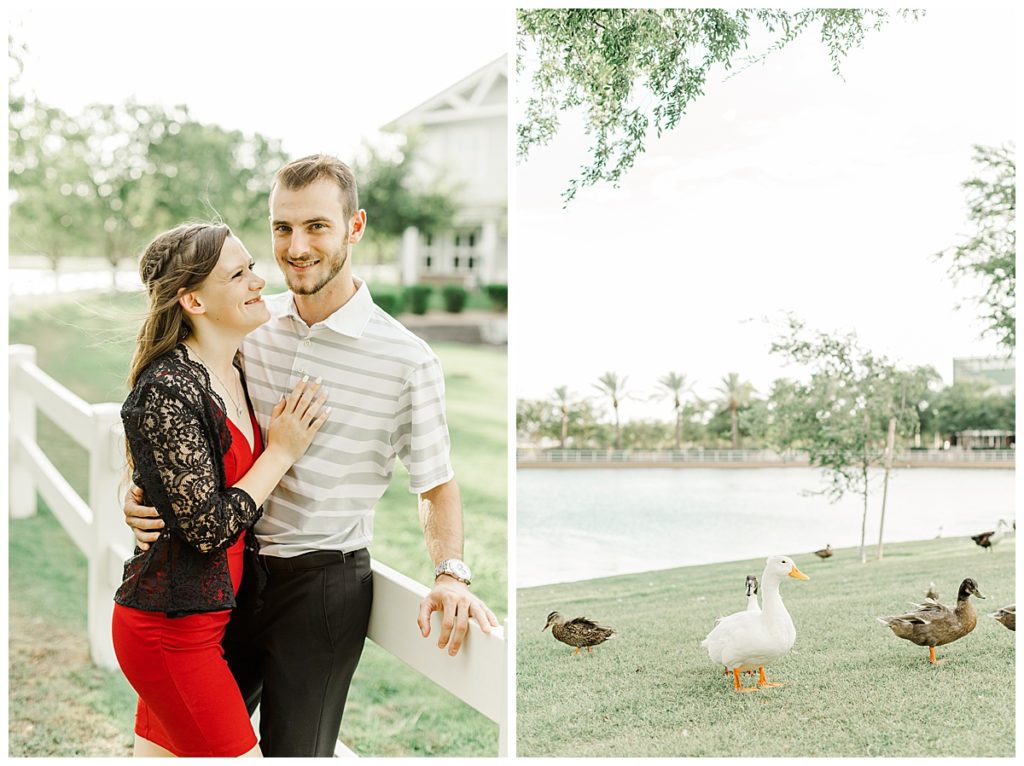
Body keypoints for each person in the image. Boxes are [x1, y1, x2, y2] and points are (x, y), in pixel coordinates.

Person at [124, 155, 499, 757]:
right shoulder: (250, 320)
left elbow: (436, 485)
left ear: (355, 227)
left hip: (321, 590)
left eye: (317, 227)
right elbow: (179, 416)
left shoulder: (407, 361)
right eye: (282, 228)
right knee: (173, 745)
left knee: (294, 754)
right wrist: (141, 493)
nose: (296, 247)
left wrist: (450, 572)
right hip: (225, 575)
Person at [112, 222, 331, 757]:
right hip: (170, 632)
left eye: (252, 266)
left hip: (210, 624)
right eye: (238, 274)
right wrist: (280, 452)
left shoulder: (233, 366)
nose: (259, 281)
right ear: (192, 299)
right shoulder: (167, 388)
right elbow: (207, 529)